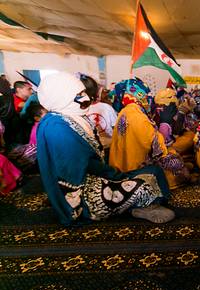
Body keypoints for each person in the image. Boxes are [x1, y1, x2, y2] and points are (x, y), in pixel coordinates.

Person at [36, 72, 174, 226]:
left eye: (84, 93)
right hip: (83, 194)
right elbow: (82, 166)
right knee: (144, 184)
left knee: (153, 171)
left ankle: (142, 203)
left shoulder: (70, 117)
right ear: (62, 97)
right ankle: (140, 206)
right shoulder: (57, 127)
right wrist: (117, 176)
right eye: (79, 94)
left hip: (102, 174)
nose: (86, 98)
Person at [109, 79, 188, 190]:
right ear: (138, 95)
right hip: (134, 171)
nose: (148, 99)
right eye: (145, 96)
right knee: (175, 160)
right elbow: (156, 147)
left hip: (121, 166)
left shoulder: (126, 111)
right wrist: (165, 123)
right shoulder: (138, 117)